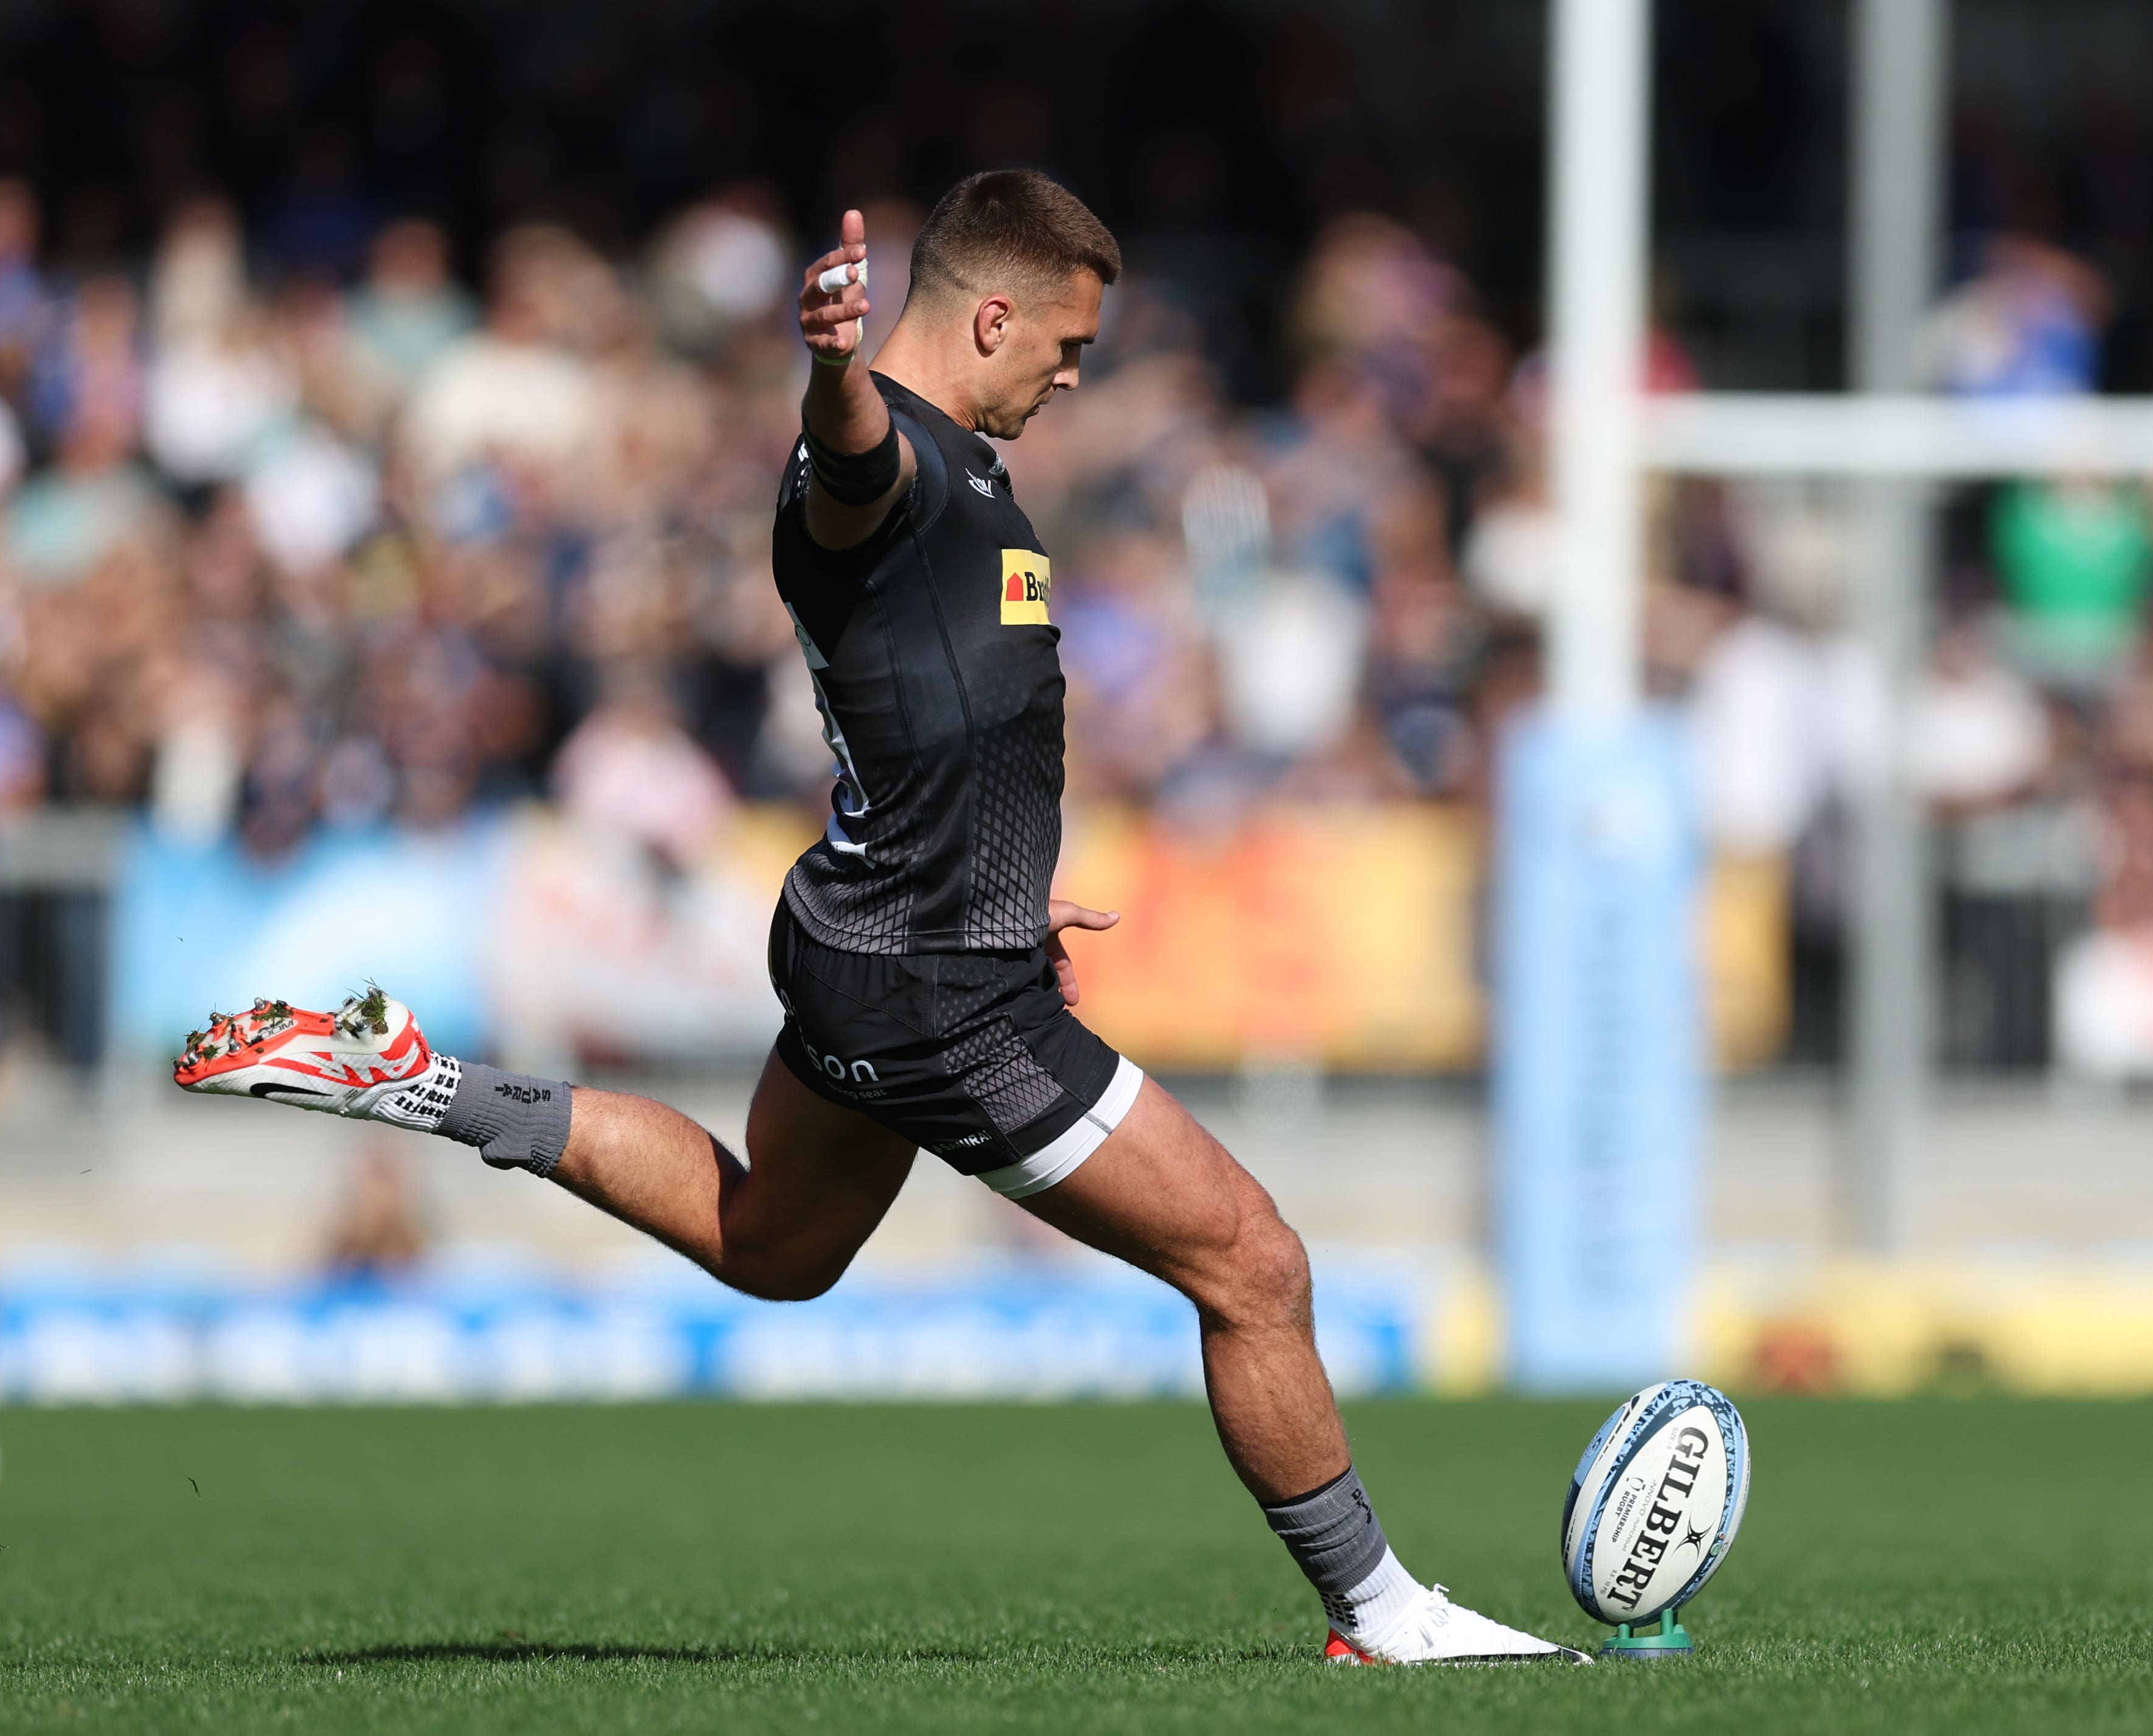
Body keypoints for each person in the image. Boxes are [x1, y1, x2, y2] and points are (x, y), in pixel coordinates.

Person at [177, 171, 1587, 1666]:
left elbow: (937, 704)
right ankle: (1381, 1614)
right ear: (992, 316)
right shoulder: (883, 459)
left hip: (881, 939)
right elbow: (846, 474)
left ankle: (424, 1077)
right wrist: (831, 372)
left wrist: (999, 865)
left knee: (771, 1245)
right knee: (1253, 1264)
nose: (1071, 373)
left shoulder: (967, 470)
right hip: (939, 994)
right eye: (1065, 344)